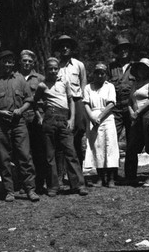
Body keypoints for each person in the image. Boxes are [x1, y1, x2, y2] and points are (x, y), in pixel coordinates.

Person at [0, 49, 40, 202]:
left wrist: (20, 110)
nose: (8, 64)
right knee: (4, 158)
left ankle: (30, 189)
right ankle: (9, 191)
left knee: (25, 155)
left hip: (19, 122)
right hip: (0, 124)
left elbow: (29, 100)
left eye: (10, 62)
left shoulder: (20, 79)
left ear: (14, 63)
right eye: (5, 61)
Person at [34, 57, 89, 197]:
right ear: (45, 70)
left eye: (55, 68)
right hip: (49, 118)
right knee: (50, 155)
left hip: (64, 118)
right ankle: (53, 186)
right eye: (50, 69)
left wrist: (71, 118)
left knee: (70, 152)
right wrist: (39, 117)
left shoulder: (64, 82)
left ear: (59, 70)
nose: (53, 71)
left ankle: (78, 185)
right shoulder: (42, 85)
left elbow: (71, 101)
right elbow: (35, 102)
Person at [53, 35, 88, 181]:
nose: (65, 48)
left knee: (77, 136)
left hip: (77, 100)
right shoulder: (56, 66)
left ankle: (77, 174)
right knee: (60, 137)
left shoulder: (78, 65)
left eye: (67, 46)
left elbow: (84, 84)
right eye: (62, 46)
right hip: (61, 103)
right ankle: (61, 174)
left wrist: (85, 105)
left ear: (72, 48)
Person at [83, 63, 119, 188]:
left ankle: (111, 178)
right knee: (97, 147)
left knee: (110, 147)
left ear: (106, 75)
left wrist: (100, 117)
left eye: (102, 73)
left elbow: (111, 104)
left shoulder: (110, 87)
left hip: (107, 118)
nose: (99, 75)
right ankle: (100, 177)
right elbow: (86, 103)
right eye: (97, 72)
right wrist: (92, 117)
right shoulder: (88, 87)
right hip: (92, 118)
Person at [125, 58, 149, 186]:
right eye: (140, 68)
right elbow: (130, 101)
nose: (141, 71)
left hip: (148, 115)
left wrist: (137, 112)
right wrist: (132, 113)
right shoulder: (136, 83)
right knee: (133, 146)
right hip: (136, 117)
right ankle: (131, 175)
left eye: (144, 68)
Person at [18, 49, 47, 194]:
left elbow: (47, 98)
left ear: (34, 62)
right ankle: (25, 184)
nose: (27, 63)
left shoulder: (40, 78)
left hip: (37, 117)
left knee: (39, 151)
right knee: (23, 152)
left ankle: (39, 183)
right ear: (20, 62)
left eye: (30, 61)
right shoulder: (15, 77)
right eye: (24, 60)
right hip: (20, 117)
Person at [108, 37, 135, 168]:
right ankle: (113, 173)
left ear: (130, 50)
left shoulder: (136, 66)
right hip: (115, 107)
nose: (123, 51)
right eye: (121, 49)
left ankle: (130, 173)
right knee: (112, 140)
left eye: (126, 48)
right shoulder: (111, 67)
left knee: (132, 140)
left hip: (131, 107)